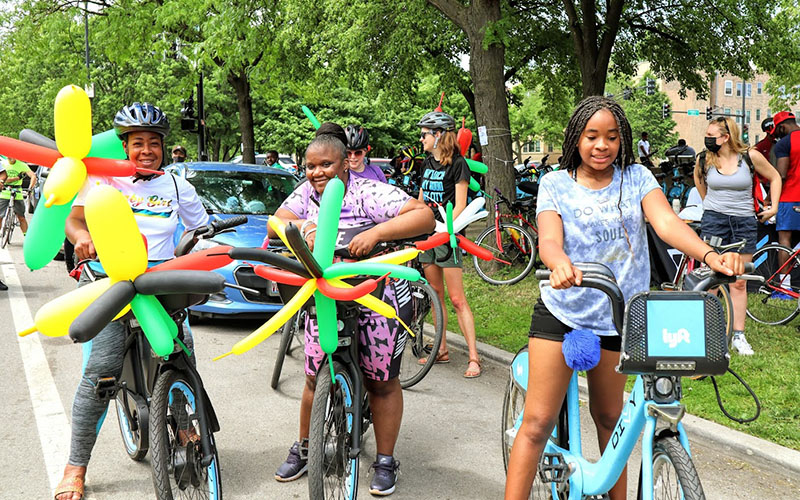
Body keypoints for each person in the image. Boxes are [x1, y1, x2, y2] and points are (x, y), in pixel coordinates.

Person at [504, 96, 743, 500]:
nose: (602, 145)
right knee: (538, 422)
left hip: (618, 314)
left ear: (623, 140)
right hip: (563, 310)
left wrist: (709, 254)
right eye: (592, 136)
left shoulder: (636, 178)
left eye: (612, 137)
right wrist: (560, 263)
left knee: (610, 419)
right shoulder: (555, 183)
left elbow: (666, 222)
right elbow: (548, 238)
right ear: (575, 139)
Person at [55, 102, 209, 500]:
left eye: (153, 143)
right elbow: (74, 221)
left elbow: (200, 228)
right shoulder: (103, 181)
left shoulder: (177, 186)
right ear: (124, 146)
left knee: (181, 355)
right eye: (137, 142)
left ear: (163, 147)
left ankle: (186, 426)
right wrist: (80, 238)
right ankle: (76, 466)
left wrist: (201, 248)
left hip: (161, 283)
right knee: (100, 374)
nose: (146, 150)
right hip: (109, 284)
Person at [269, 131, 434, 496]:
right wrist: (303, 228)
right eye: (310, 166)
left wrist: (377, 233)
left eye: (326, 164)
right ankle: (306, 447)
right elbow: (276, 219)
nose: (317, 172)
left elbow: (424, 217)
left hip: (375, 296)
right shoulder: (306, 195)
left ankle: (386, 460)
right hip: (325, 297)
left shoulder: (367, 191)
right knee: (314, 377)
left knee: (381, 382)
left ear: (346, 163)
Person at [693, 116, 781, 355]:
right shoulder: (704, 159)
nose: (708, 140)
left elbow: (774, 177)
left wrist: (773, 207)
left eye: (712, 136)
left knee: (739, 280)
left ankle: (738, 336)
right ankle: (709, 334)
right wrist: (711, 206)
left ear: (726, 136)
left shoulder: (749, 157)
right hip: (714, 221)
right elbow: (699, 183)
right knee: (711, 279)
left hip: (743, 222)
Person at [416, 109, 482, 378]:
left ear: (438, 135)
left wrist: (443, 231)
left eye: (424, 134)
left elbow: (461, 204)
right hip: (427, 237)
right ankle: (441, 349)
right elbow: (420, 202)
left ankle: (474, 358)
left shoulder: (458, 164)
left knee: (457, 299)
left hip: (448, 236)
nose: (421, 139)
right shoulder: (426, 164)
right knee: (435, 294)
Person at [772, 112, 800, 269]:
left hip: (789, 197)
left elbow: (780, 175)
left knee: (784, 239)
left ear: (782, 127)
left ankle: (786, 285)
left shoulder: (784, 143)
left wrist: (769, 198)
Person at [0, 156, 37, 236]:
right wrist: (17, 178)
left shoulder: (22, 165)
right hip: (4, 191)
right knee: (0, 216)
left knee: (21, 217)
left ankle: (26, 236)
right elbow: (4, 178)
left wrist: (30, 188)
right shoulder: (3, 164)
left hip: (17, 192)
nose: (11, 157)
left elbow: (33, 176)